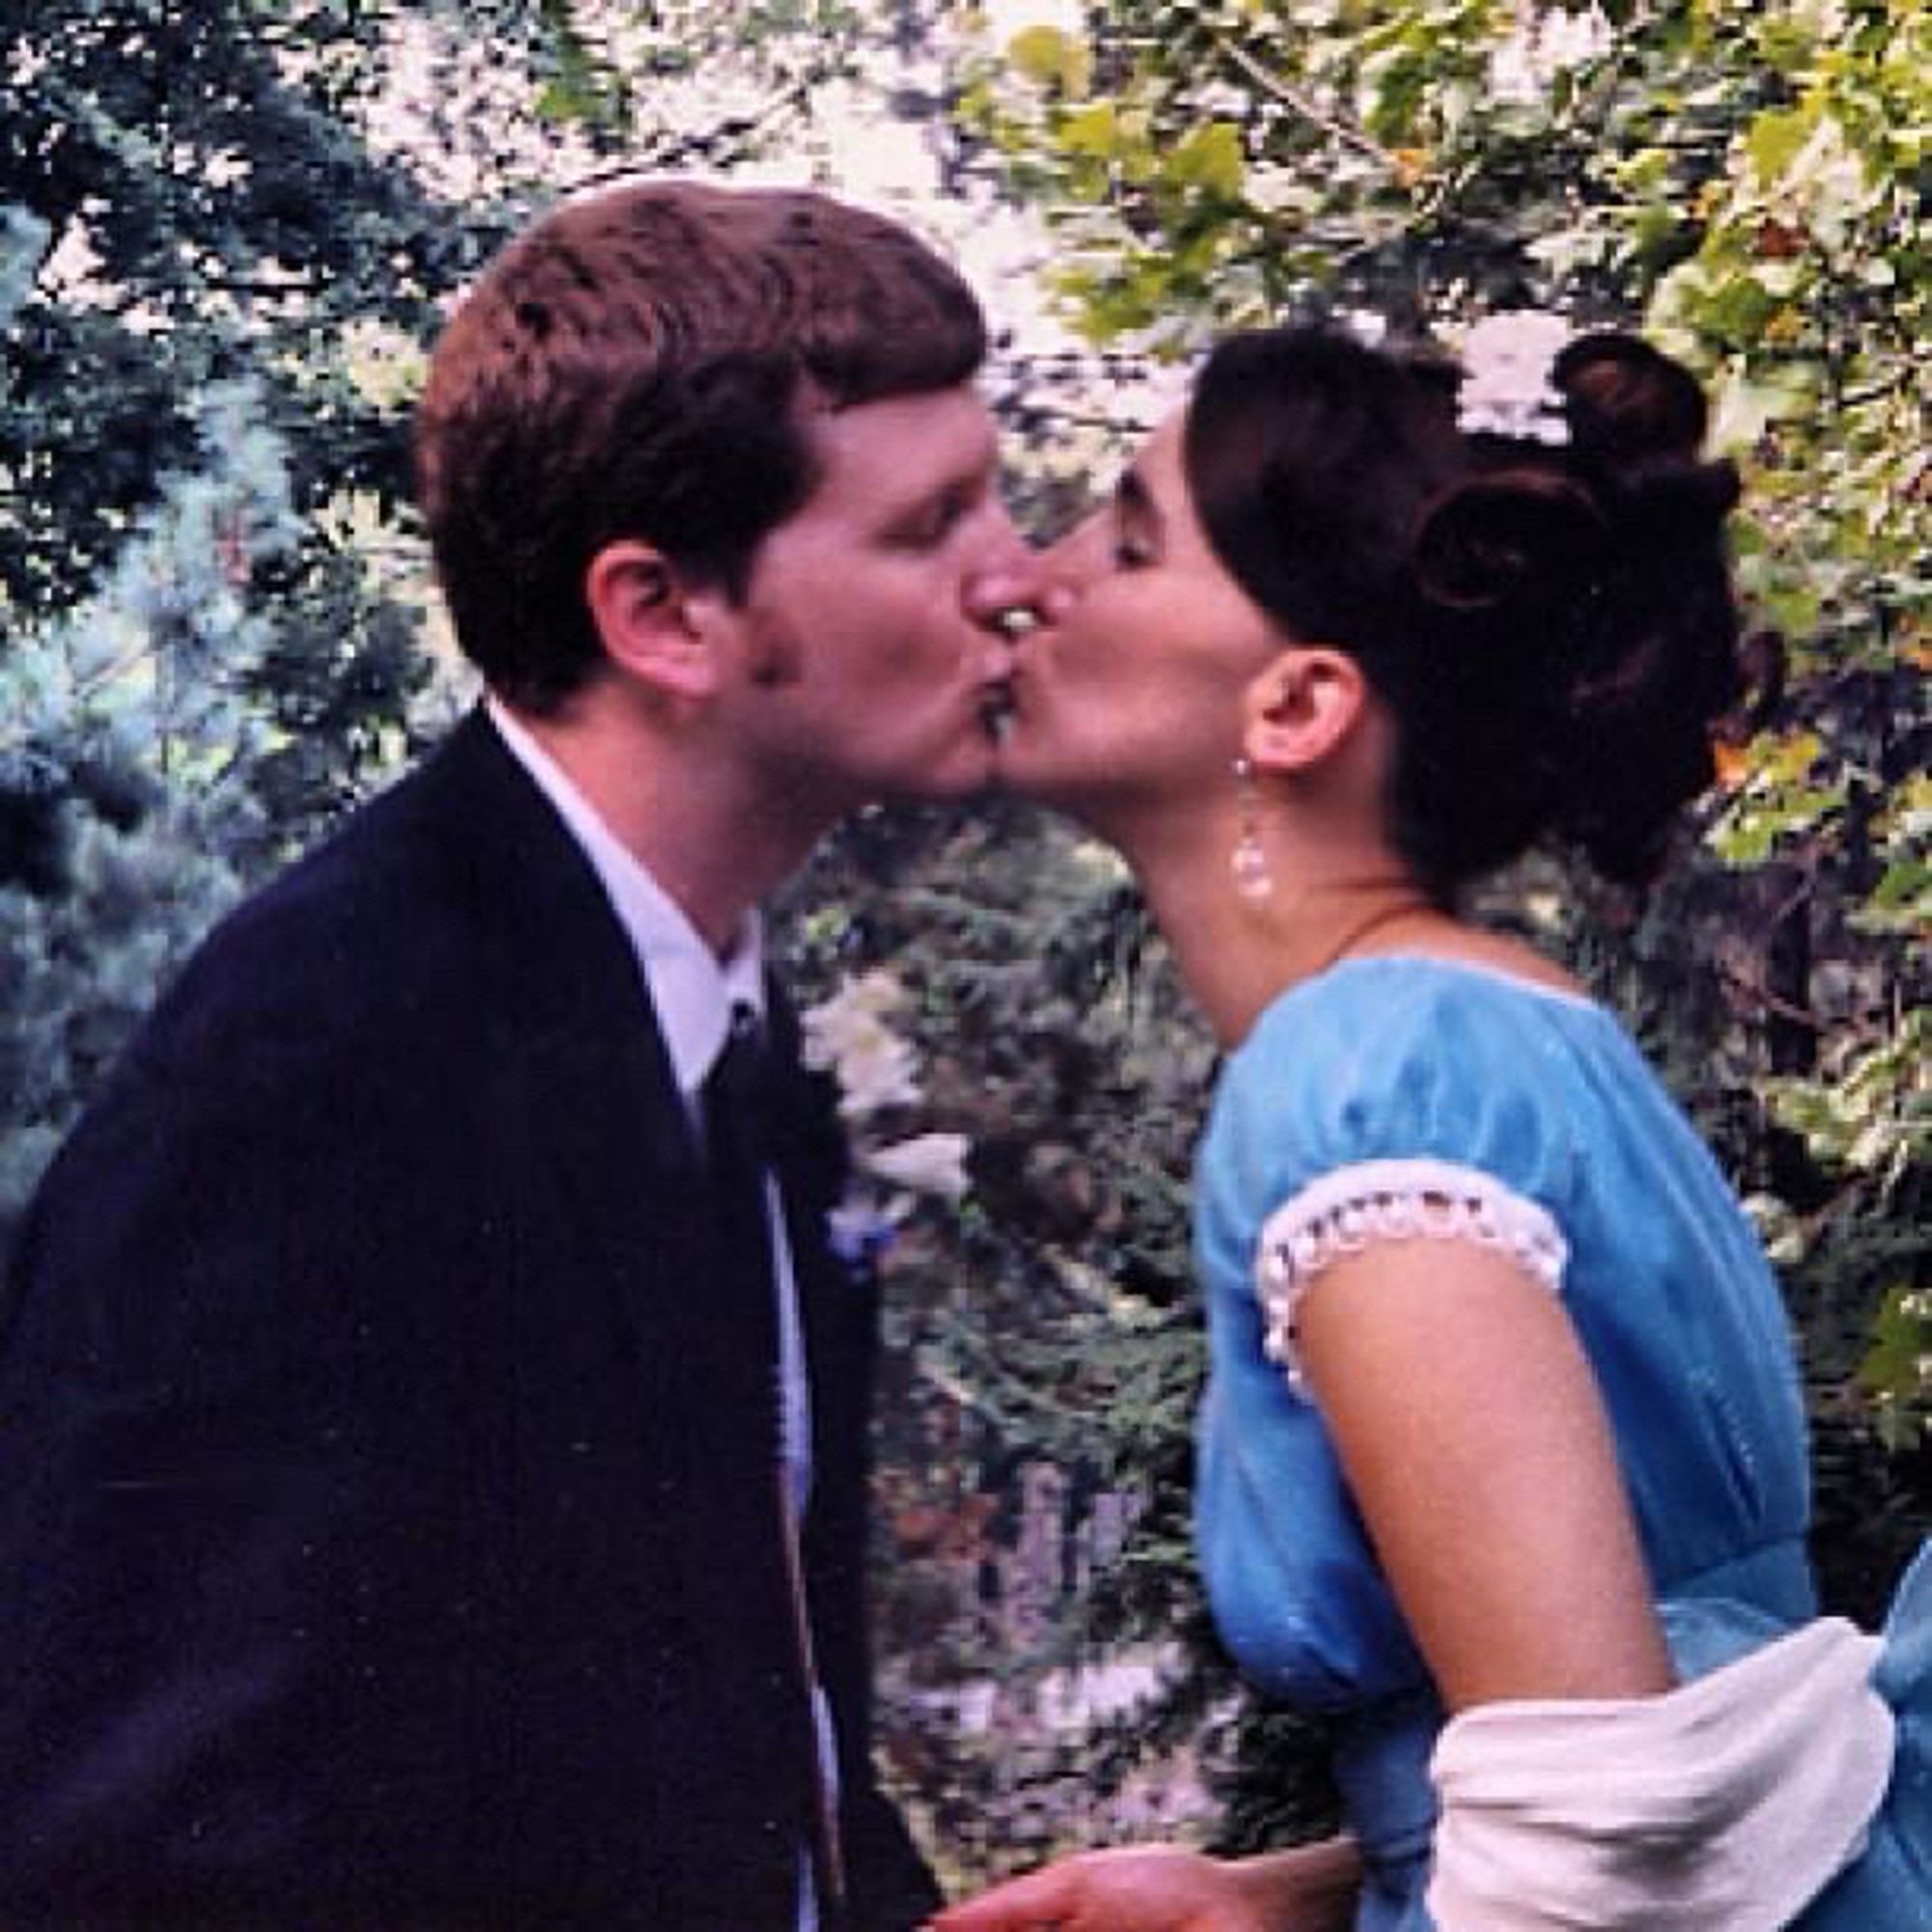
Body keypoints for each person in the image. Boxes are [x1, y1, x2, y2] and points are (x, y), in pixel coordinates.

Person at [0, 178, 1039, 1928]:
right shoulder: (334, 1058)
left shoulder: (731, 1027)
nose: (1015, 577)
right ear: (664, 617)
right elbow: (138, 1841)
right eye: (932, 524)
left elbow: (736, 1722)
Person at [940, 321, 1930, 1928]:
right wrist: (1288, 1898)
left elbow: (1612, 1848)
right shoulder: (1493, 1028)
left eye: (1123, 542)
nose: (1033, 579)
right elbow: (1652, 1734)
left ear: (1299, 702)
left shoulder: (1365, 1078)